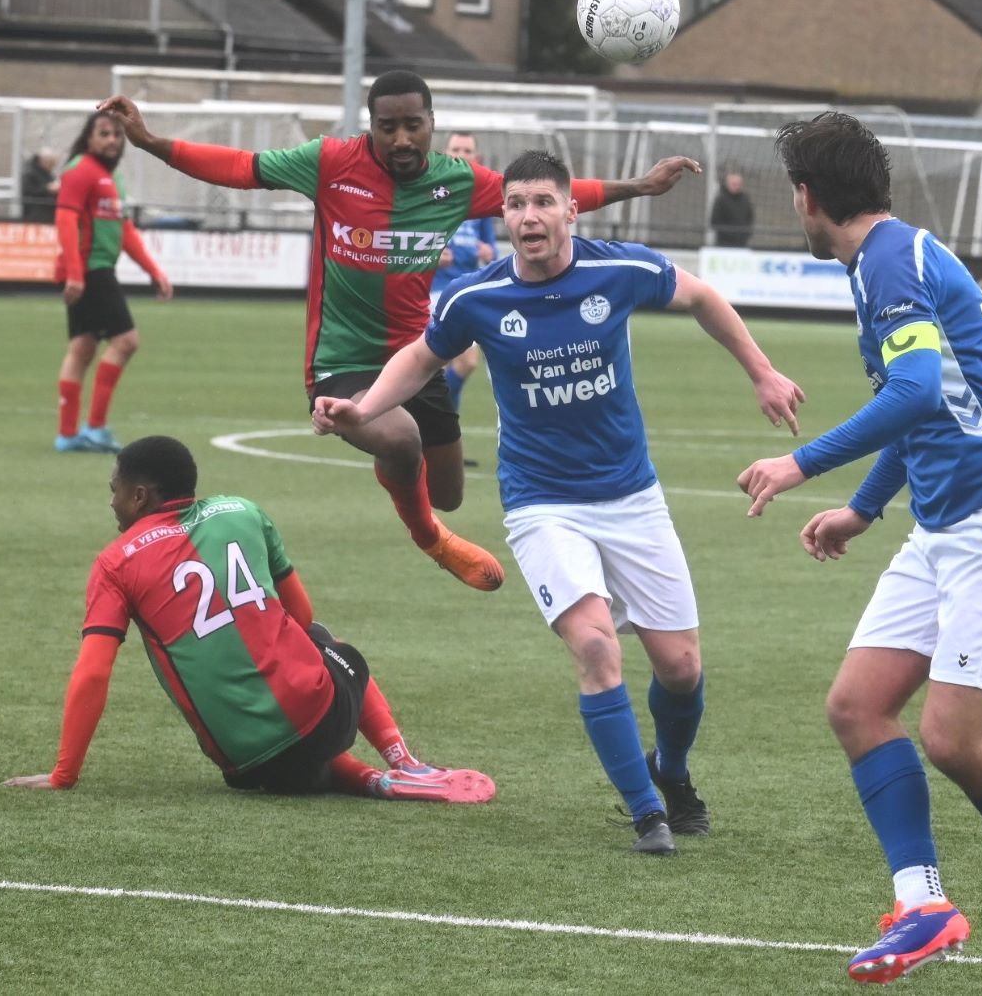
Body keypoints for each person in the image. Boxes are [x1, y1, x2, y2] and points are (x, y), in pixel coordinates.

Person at [313, 150, 806, 854]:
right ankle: (647, 813)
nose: (529, 216)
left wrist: (762, 372)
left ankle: (669, 771)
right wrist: (362, 410)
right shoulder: (476, 297)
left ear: (571, 210)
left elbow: (701, 297)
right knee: (596, 646)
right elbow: (421, 357)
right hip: (542, 503)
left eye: (543, 201)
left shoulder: (617, 270)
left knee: (681, 670)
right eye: (516, 204)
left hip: (631, 496)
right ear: (504, 216)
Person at [96, 71, 702, 594]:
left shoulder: (456, 182)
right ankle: (431, 539)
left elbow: (553, 198)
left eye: (413, 125)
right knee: (400, 437)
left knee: (448, 491)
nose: (402, 138)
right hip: (341, 362)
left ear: (432, 123)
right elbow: (239, 167)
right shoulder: (331, 163)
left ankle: (412, 489)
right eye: (388, 127)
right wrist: (150, 141)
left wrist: (639, 187)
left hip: (417, 357)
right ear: (371, 127)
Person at [735, 112, 982, 984]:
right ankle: (922, 904)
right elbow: (921, 401)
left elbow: (917, 391)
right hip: (948, 527)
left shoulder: (887, 263)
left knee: (950, 740)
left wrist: (800, 463)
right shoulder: (886, 258)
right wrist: (862, 507)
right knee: (857, 707)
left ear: (807, 198)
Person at [2, 435, 496, 803]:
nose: (110, 501)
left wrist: (64, 775)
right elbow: (302, 616)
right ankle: (404, 763)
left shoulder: (115, 562)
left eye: (114, 490)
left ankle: (371, 780)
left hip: (245, 764)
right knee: (324, 640)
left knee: (296, 764)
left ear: (139, 496)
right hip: (323, 716)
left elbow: (94, 672)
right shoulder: (242, 510)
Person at [52, 110, 173, 454]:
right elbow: (65, 220)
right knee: (126, 341)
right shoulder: (80, 170)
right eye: (104, 133)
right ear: (89, 138)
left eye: (117, 135)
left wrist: (154, 271)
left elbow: (124, 230)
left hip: (96, 268)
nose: (112, 140)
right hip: (90, 269)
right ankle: (95, 428)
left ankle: (67, 435)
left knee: (83, 347)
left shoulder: (112, 177)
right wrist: (75, 273)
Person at [432, 131, 497, 414]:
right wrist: (431, 255)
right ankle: (439, 421)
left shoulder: (480, 199)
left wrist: (488, 252)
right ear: (445, 154)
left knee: (457, 365)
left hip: (466, 292)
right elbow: (408, 244)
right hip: (434, 291)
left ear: (477, 158)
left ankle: (440, 423)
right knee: (453, 362)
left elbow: (491, 248)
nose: (461, 155)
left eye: (467, 150)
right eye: (455, 149)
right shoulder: (432, 195)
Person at [709, 170, 754, 248]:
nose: (737, 186)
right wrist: (729, 234)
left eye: (739, 184)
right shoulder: (721, 200)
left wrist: (746, 234)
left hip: (742, 243)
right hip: (724, 244)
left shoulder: (745, 199)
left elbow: (750, 218)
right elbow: (714, 221)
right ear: (727, 184)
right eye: (734, 184)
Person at [20, 147, 60, 223]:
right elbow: (28, 190)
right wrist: (47, 189)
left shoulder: (47, 173)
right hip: (35, 215)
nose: (53, 166)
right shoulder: (30, 172)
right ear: (44, 161)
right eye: (51, 163)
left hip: (46, 213)